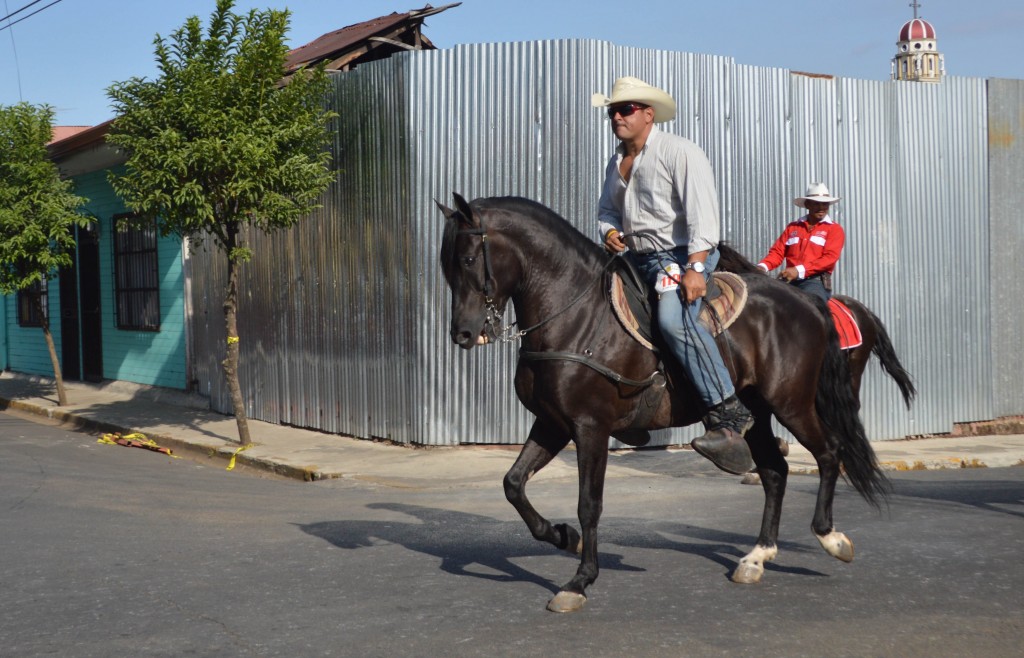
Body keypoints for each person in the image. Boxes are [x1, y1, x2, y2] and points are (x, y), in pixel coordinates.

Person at [593, 76, 753, 475]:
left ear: (648, 114)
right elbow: (607, 211)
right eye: (613, 109)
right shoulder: (617, 162)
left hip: (678, 256)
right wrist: (610, 232)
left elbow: (704, 216)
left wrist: (696, 267)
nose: (617, 115)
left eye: (626, 109)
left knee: (672, 320)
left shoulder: (680, 152)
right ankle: (630, 410)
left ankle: (728, 414)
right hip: (636, 258)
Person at [757, 183, 845, 303]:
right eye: (816, 203)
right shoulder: (793, 227)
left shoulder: (834, 229)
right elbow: (777, 252)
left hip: (815, 282)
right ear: (807, 205)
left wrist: (798, 271)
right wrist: (762, 267)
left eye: (824, 203)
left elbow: (829, 259)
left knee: (813, 307)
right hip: (788, 280)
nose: (821, 207)